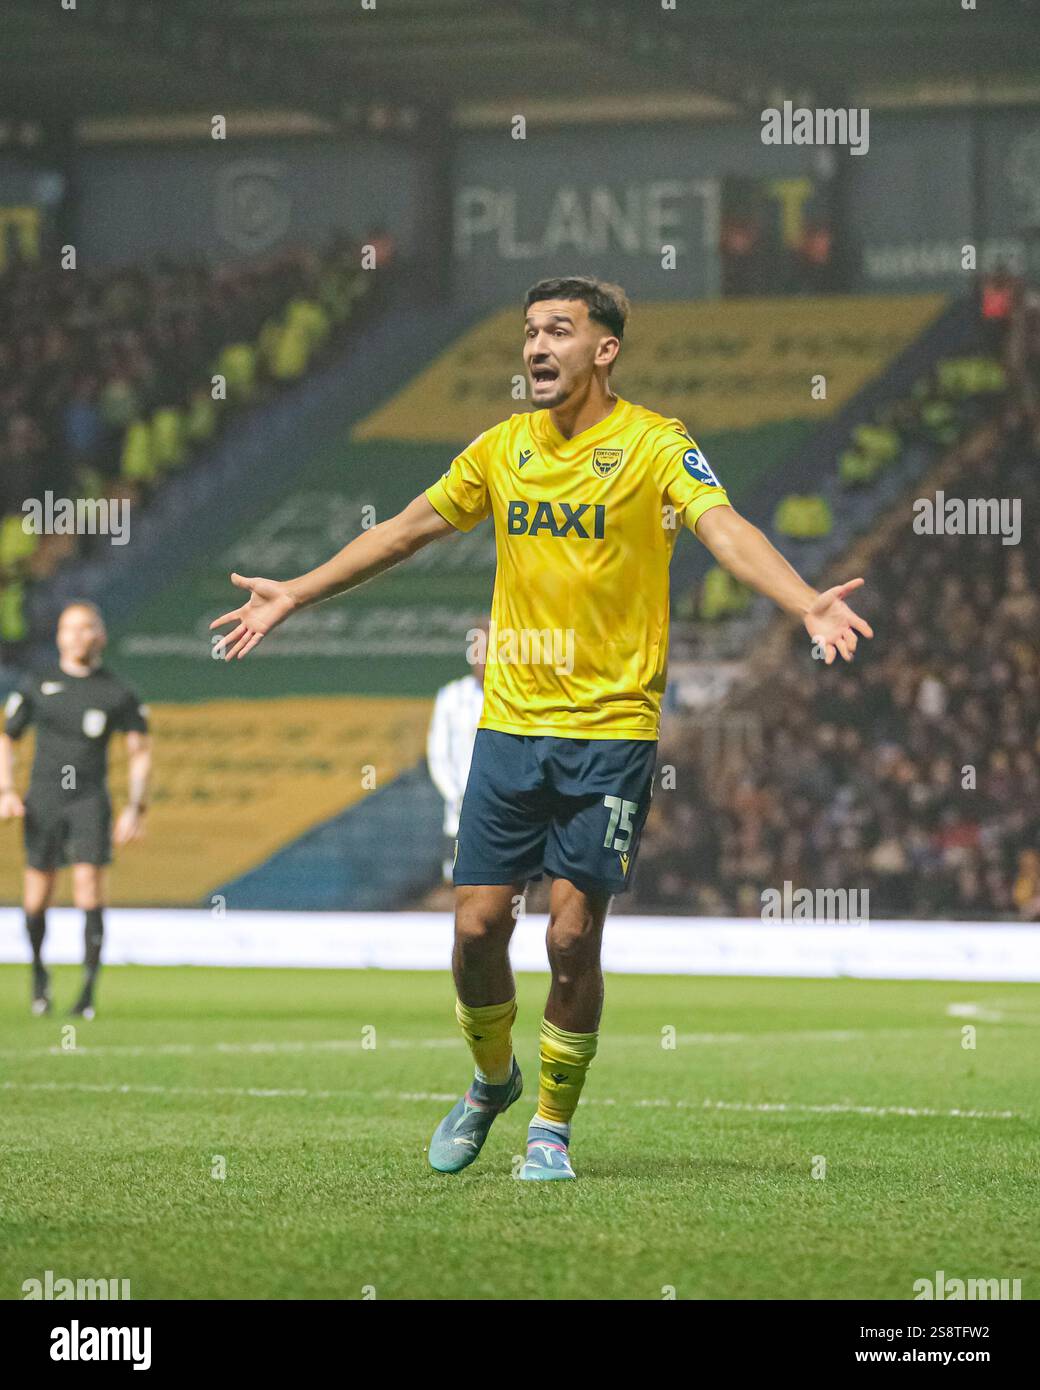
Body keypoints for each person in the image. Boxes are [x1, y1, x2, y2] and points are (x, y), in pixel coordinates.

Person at [210, 275, 872, 1181]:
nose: (535, 346)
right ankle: (492, 1081)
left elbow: (722, 529)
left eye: (558, 330)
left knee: (570, 938)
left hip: (610, 733)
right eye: (528, 331)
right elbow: (405, 530)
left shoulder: (653, 444)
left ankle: (550, 1130)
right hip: (511, 729)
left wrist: (802, 601)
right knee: (478, 929)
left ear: (604, 349)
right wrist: (297, 589)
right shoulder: (500, 450)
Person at [0, 601, 151, 1017]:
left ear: (99, 635)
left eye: (87, 627)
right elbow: (7, 738)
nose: (78, 635)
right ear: (59, 636)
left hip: (89, 801)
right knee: (37, 897)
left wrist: (136, 807)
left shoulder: (117, 691)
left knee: (88, 890)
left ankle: (86, 992)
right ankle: (38, 977)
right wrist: (6, 790)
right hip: (43, 798)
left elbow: (139, 752)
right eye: (70, 628)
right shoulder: (38, 683)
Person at [427, 626, 486, 884]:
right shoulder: (452, 696)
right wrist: (457, 795)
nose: (482, 658)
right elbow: (438, 754)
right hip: (459, 813)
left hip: (511, 812)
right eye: (476, 650)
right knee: (458, 883)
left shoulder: (522, 699)